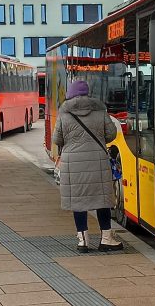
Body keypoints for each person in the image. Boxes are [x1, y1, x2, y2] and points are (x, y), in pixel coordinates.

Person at [51, 80, 123, 253]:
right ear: (87, 93)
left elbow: (56, 140)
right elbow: (111, 134)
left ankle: (83, 241)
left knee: (78, 201)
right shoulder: (100, 111)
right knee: (102, 200)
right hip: (97, 161)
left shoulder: (64, 114)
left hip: (72, 164)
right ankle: (106, 239)